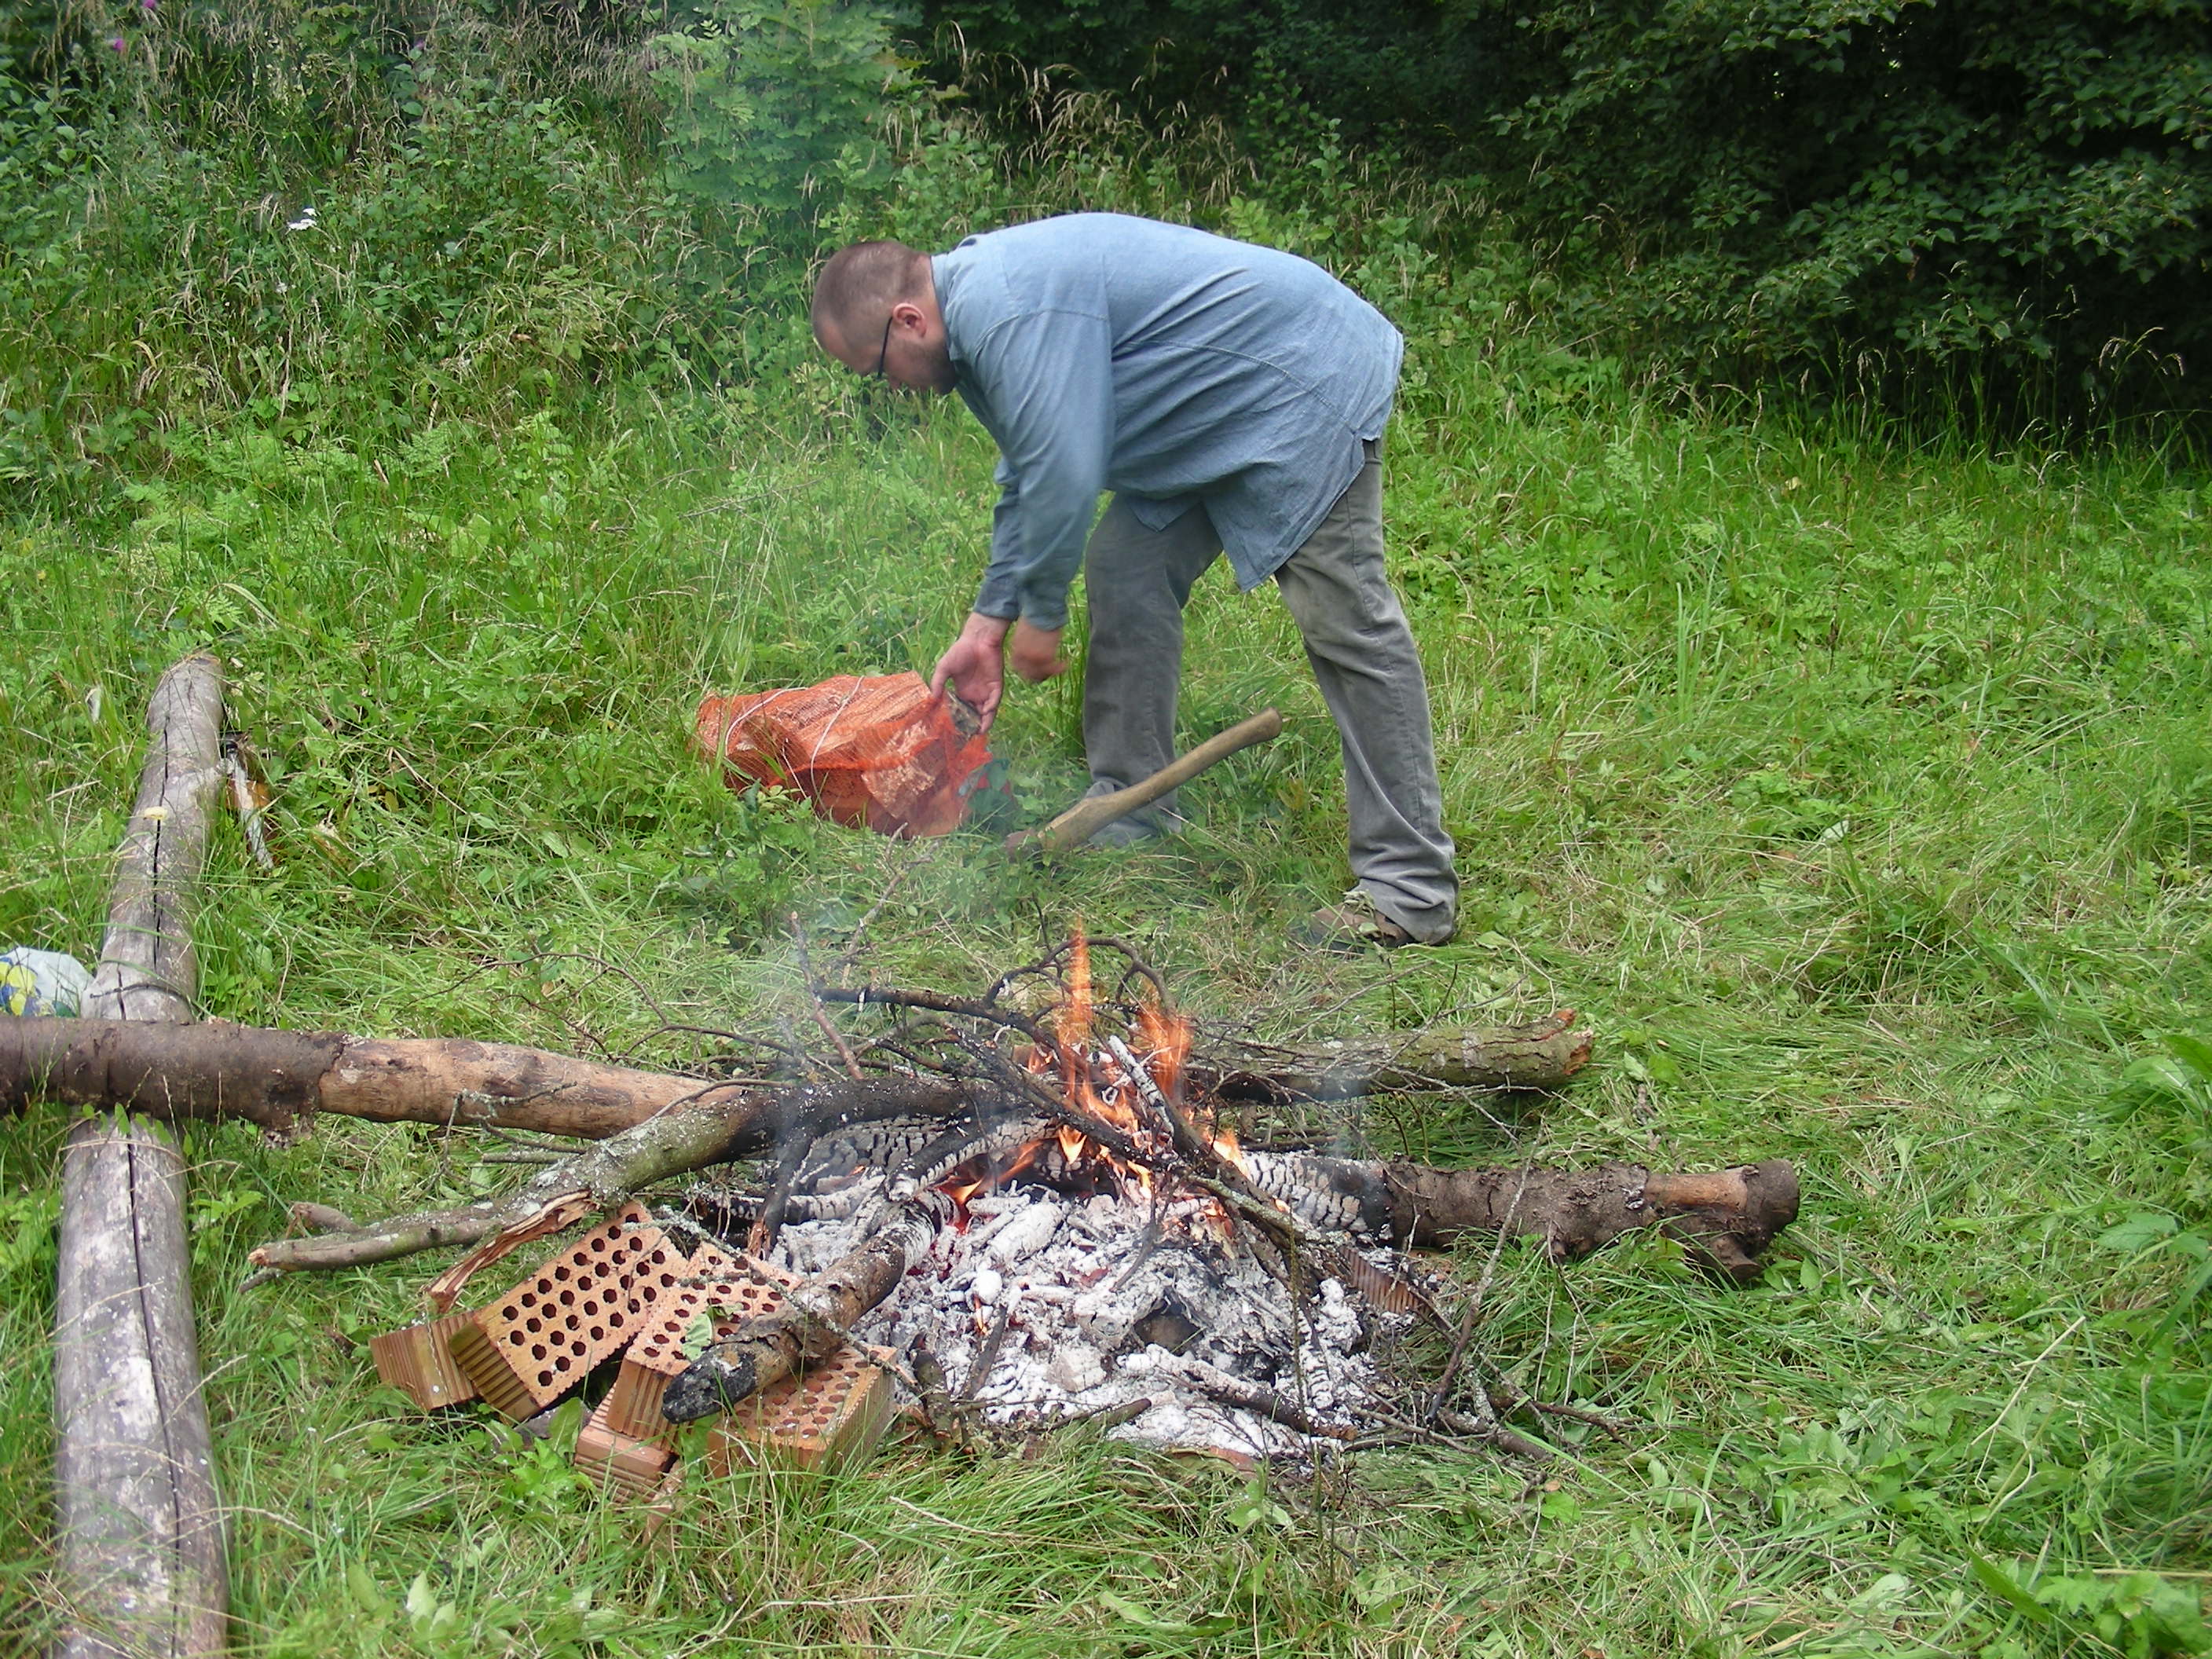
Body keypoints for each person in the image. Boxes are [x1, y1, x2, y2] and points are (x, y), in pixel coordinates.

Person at [809, 212, 1457, 947]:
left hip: (1296, 379)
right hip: (1206, 411)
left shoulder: (1007, 310)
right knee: (1127, 565)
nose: (891, 386)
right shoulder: (979, 319)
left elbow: (1066, 469)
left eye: (877, 369)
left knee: (1346, 622)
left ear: (908, 320)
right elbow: (1031, 467)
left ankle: (1410, 889)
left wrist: (1042, 618)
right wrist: (987, 626)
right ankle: (1131, 807)